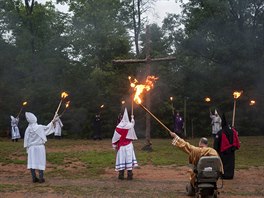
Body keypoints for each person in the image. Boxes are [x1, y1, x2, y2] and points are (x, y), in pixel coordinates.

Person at [170, 132, 223, 196]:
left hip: (199, 175)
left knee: (192, 172)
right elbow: (219, 163)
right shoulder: (213, 151)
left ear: (200, 143)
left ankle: (193, 188)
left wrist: (175, 136)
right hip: (212, 175)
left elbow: (185, 145)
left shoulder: (195, 150)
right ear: (207, 144)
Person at [23, 112, 58, 183]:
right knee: (40, 161)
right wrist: (52, 121)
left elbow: (26, 140)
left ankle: (34, 178)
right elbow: (48, 128)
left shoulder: (28, 129)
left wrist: (27, 148)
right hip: (39, 147)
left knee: (32, 162)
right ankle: (41, 178)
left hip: (32, 148)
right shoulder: (39, 127)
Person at [112, 108, 138, 180]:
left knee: (121, 159)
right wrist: (132, 121)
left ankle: (121, 174)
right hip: (129, 145)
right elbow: (132, 126)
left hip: (121, 146)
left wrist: (114, 145)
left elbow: (115, 138)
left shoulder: (118, 127)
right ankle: (129, 175)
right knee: (129, 159)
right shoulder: (130, 126)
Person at [213, 113, 240, 179]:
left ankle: (224, 175)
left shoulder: (220, 132)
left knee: (223, 163)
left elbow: (216, 143)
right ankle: (230, 175)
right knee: (230, 163)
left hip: (223, 151)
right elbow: (235, 140)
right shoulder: (232, 131)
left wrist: (215, 150)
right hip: (231, 151)